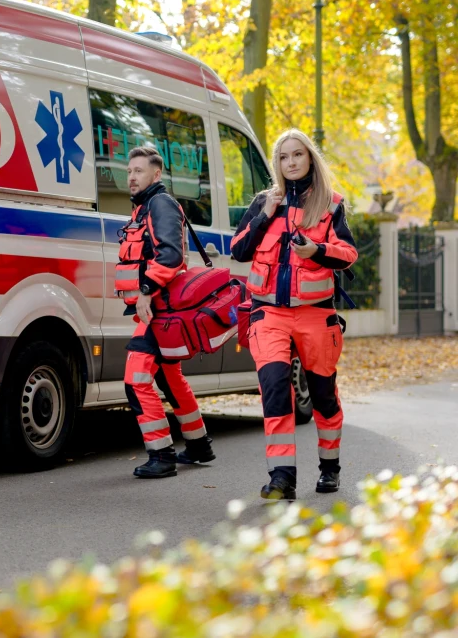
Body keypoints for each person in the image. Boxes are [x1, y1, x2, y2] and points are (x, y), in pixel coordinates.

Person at [230, 128, 357, 500]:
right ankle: (281, 477)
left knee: (323, 397)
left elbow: (348, 254)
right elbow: (238, 249)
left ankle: (329, 467)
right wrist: (264, 216)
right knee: (274, 390)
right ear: (277, 163)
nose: (291, 162)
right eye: (284, 157)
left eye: (297, 155)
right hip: (268, 314)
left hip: (316, 316)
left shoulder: (331, 204)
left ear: (309, 158)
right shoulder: (264, 201)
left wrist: (315, 250)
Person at [117, 146, 215, 478]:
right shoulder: (145, 207)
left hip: (159, 310)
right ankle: (199, 444)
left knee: (136, 379)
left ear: (156, 175)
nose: (132, 176)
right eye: (129, 171)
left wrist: (145, 291)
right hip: (158, 310)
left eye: (139, 171)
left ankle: (161, 455)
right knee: (169, 377)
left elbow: (171, 255)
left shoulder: (159, 204)